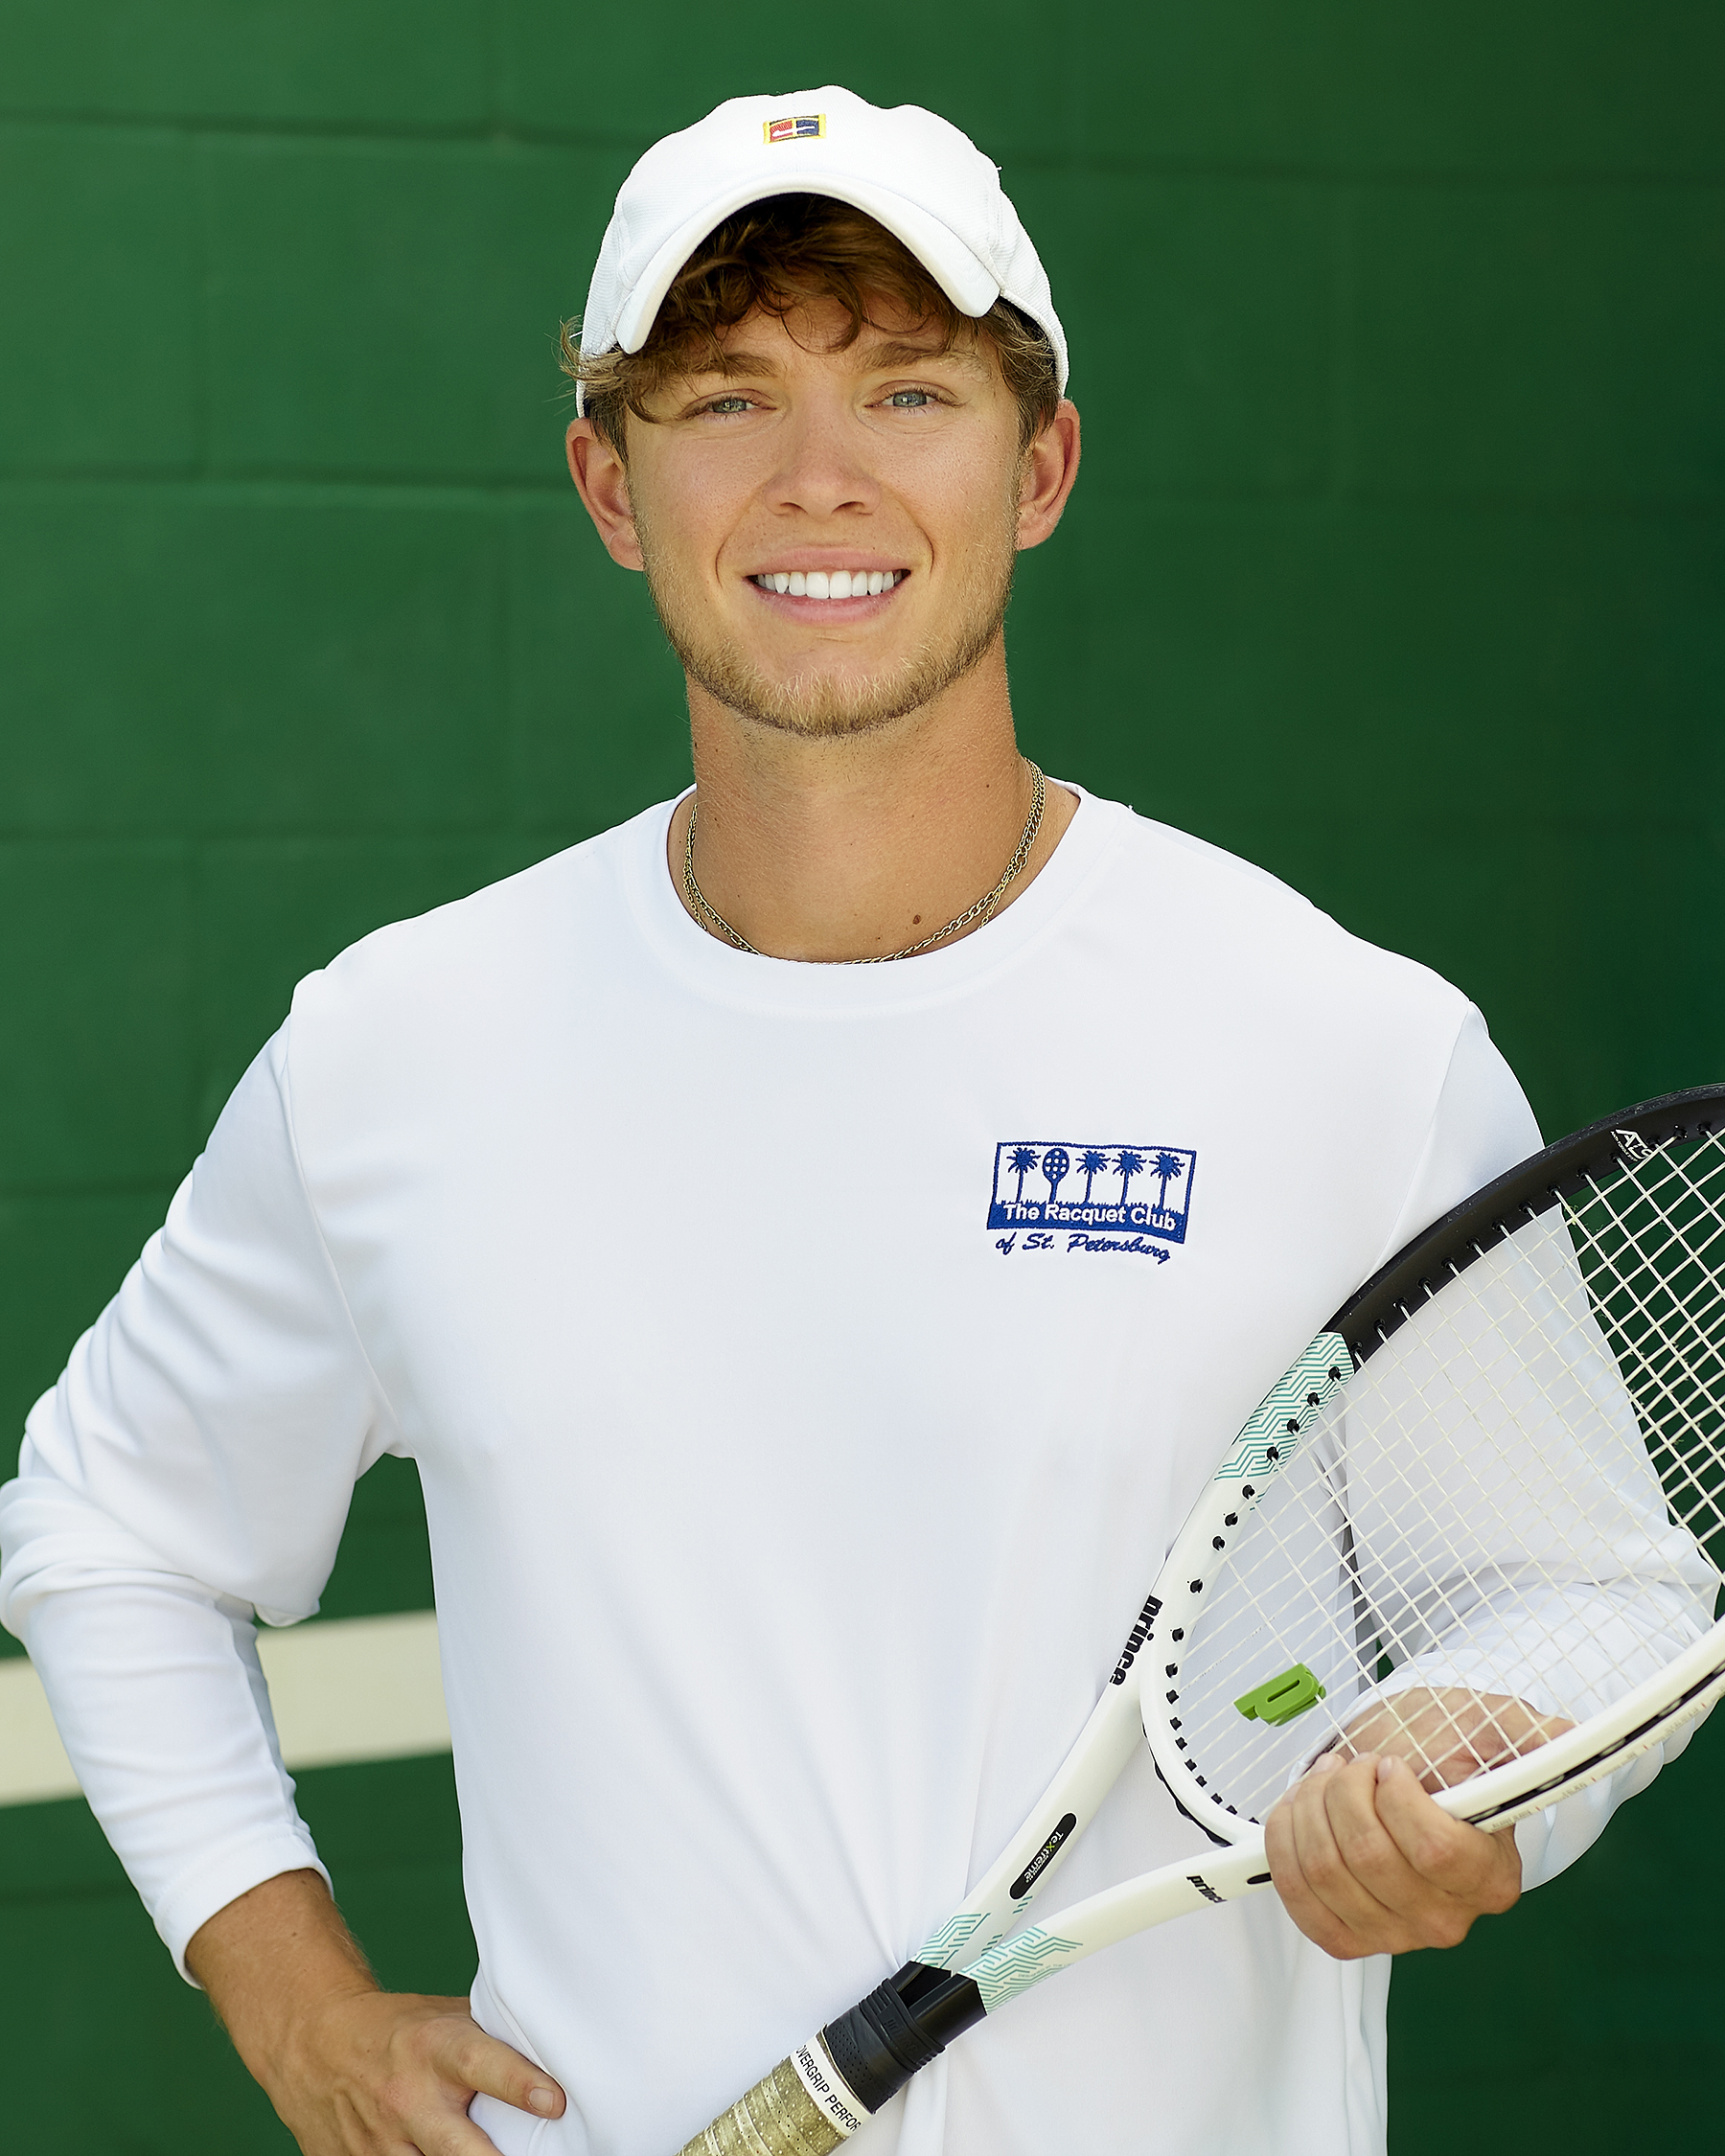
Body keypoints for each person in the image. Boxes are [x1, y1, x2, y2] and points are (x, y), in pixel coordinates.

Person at [0, 84, 1663, 2156]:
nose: (818, 481)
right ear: (610, 485)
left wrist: (1482, 1755)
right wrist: (294, 2006)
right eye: (721, 402)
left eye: (904, 391)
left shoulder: (1340, 1046)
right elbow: (108, 1522)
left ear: (1038, 464)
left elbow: (1591, 1594)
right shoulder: (397, 1052)